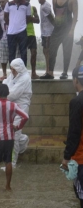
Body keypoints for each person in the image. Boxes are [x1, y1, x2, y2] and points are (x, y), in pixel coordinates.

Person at [40, 0, 78, 80]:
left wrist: (72, 30)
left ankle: (65, 72)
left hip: (67, 28)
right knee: (52, 50)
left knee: (67, 50)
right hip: (57, 28)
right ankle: (50, 72)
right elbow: (55, 13)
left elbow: (75, 16)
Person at [3, 58, 31, 167]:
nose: (12, 71)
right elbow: (5, 83)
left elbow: (13, 94)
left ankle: (11, 163)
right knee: (13, 132)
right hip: (11, 106)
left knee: (13, 134)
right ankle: (23, 140)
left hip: (21, 107)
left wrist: (1, 97)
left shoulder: (25, 78)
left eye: (13, 69)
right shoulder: (13, 75)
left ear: (19, 68)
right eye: (11, 69)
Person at [61, 66, 83, 207]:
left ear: (76, 80)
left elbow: (74, 132)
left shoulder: (77, 102)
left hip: (81, 157)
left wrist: (66, 156)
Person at [4, 0, 32, 66]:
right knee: (11, 53)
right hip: (11, 32)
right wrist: (12, 24)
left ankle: (23, 71)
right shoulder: (9, 4)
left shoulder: (27, 5)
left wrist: (21, 25)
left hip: (22, 31)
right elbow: (5, 17)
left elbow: (28, 18)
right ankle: (13, 72)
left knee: (23, 52)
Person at [37, 0, 55, 77]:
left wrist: (56, 28)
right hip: (44, 32)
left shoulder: (45, 6)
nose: (40, 0)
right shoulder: (42, 5)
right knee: (45, 51)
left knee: (47, 52)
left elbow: (51, 18)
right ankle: (47, 70)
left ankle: (49, 72)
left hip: (48, 32)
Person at [23, 0, 40, 79]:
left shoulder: (33, 8)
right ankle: (24, 73)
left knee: (34, 53)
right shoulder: (20, 9)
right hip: (22, 34)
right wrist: (29, 18)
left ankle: (33, 73)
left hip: (31, 34)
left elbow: (37, 20)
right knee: (23, 54)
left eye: (27, 1)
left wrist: (30, 18)